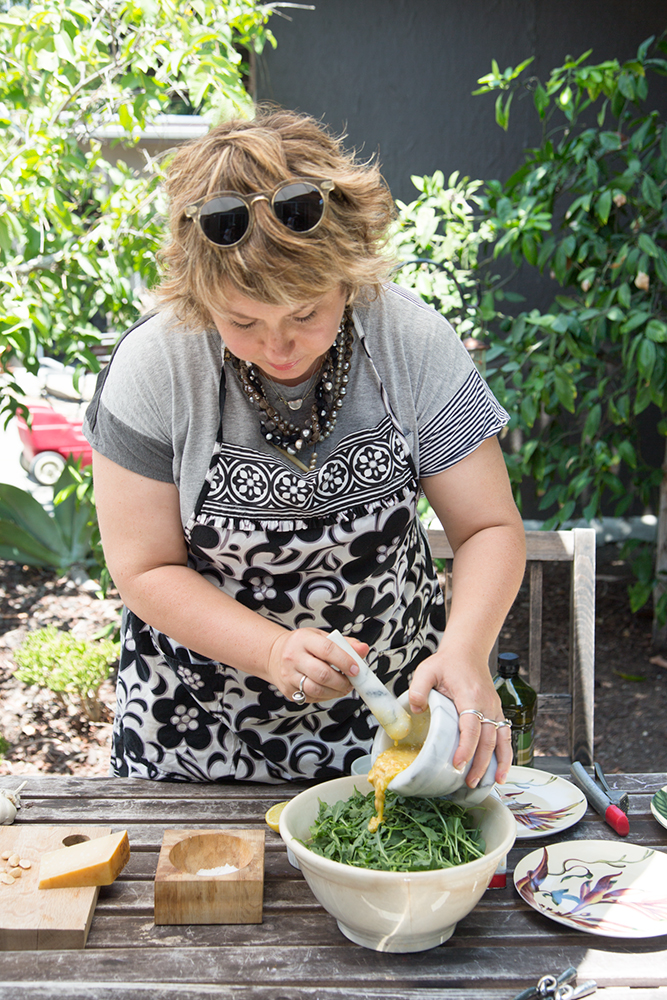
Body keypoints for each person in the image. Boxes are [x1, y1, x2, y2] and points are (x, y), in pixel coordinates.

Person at [84, 107, 526, 787]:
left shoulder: (409, 339)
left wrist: (465, 651)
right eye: (243, 321)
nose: (279, 346)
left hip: (389, 722)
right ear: (202, 297)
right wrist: (269, 649)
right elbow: (143, 568)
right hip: (195, 730)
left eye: (306, 312)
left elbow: (488, 527)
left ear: (349, 274)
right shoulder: (156, 365)